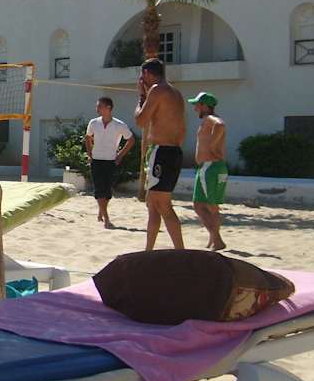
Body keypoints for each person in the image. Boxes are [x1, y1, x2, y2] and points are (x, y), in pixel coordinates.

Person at [134, 58, 186, 251]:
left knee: (163, 205)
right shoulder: (176, 93)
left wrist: (141, 96)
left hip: (162, 153)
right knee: (152, 204)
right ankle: (149, 250)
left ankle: (181, 252)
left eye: (142, 75)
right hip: (173, 152)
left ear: (147, 74)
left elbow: (140, 120)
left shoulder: (157, 90)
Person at [85, 97, 135, 229]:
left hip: (111, 161)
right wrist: (90, 154)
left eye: (99, 106)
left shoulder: (119, 125)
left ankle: (101, 211)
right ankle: (107, 219)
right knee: (99, 188)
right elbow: (88, 137)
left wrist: (120, 155)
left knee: (107, 190)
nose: (97, 109)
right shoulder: (93, 123)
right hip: (96, 160)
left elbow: (131, 140)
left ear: (108, 107)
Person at [189, 92, 228, 251]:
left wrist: (212, 145)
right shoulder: (206, 121)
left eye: (197, 105)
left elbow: (220, 125)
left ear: (205, 106)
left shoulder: (210, 119)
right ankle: (214, 238)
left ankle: (217, 240)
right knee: (208, 206)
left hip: (210, 167)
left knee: (202, 206)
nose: (195, 108)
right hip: (210, 167)